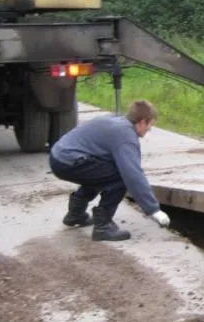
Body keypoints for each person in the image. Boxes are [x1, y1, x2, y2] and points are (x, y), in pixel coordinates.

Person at [49, 100, 170, 242]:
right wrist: (154, 209)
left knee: (103, 170)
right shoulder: (126, 136)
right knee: (120, 176)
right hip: (70, 162)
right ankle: (103, 227)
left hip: (57, 156)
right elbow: (133, 175)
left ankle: (75, 214)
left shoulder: (114, 120)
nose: (148, 131)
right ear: (143, 121)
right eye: (149, 126)